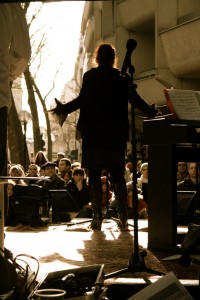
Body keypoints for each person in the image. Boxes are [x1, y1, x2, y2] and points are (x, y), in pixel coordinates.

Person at [48, 43, 157, 230]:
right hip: (115, 134)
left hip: (93, 135)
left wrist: (64, 108)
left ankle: (97, 217)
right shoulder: (121, 77)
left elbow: (82, 101)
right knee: (117, 175)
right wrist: (150, 111)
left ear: (97, 58)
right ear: (113, 58)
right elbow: (135, 99)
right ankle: (123, 217)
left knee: (95, 174)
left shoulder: (90, 76)